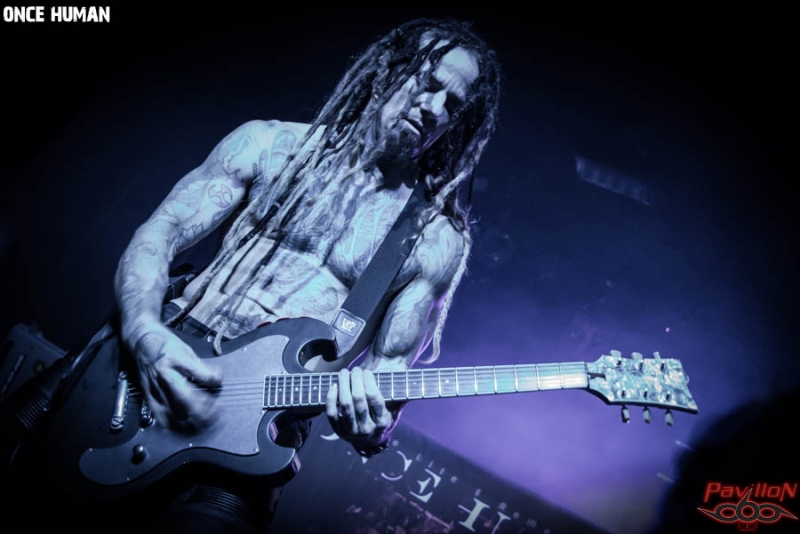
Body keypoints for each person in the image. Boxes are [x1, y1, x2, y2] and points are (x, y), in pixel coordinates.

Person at [6, 17, 502, 533]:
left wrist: (371, 426)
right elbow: (161, 234)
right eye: (428, 82)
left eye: (453, 105)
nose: (435, 108)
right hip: (140, 365)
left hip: (252, 438)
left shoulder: (432, 241)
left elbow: (386, 381)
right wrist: (144, 331)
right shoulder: (271, 144)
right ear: (388, 69)